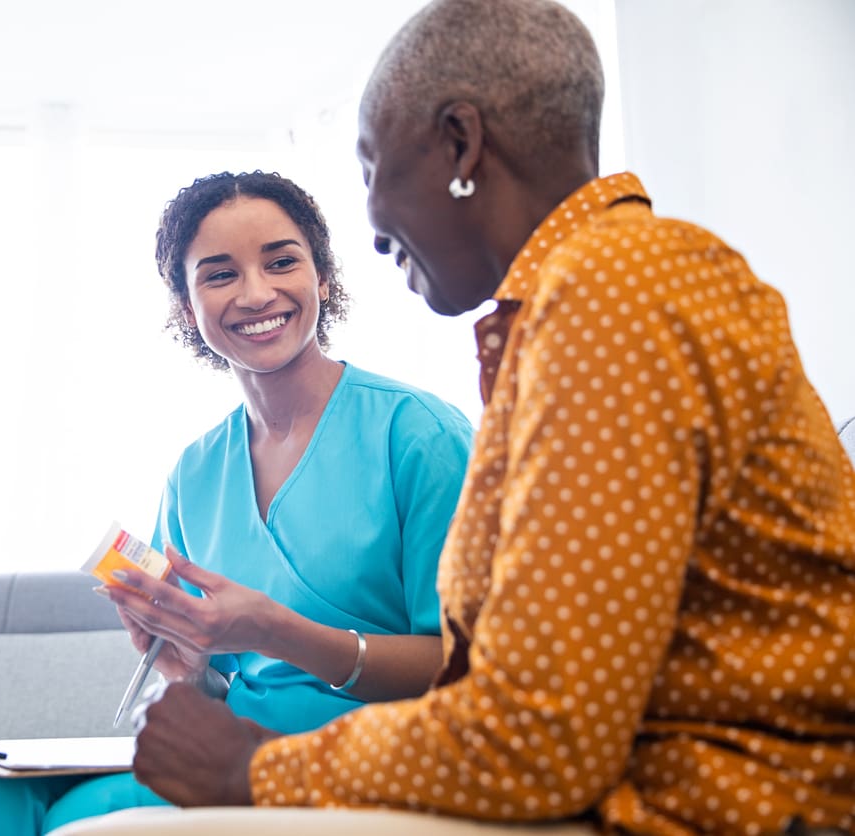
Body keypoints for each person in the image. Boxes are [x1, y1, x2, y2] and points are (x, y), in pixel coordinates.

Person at [116, 1, 855, 834]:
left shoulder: (608, 298)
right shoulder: (594, 292)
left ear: (461, 144)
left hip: (728, 806)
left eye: (369, 167)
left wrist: (252, 768)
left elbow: (538, 734)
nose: (372, 220)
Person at [0, 170, 473, 835]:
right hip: (231, 758)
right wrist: (187, 670)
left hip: (363, 763)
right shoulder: (195, 472)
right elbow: (216, 685)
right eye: (219, 275)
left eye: (282, 262)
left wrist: (279, 631)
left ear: (323, 280)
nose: (257, 293)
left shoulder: (420, 436)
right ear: (186, 306)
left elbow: (470, 670)